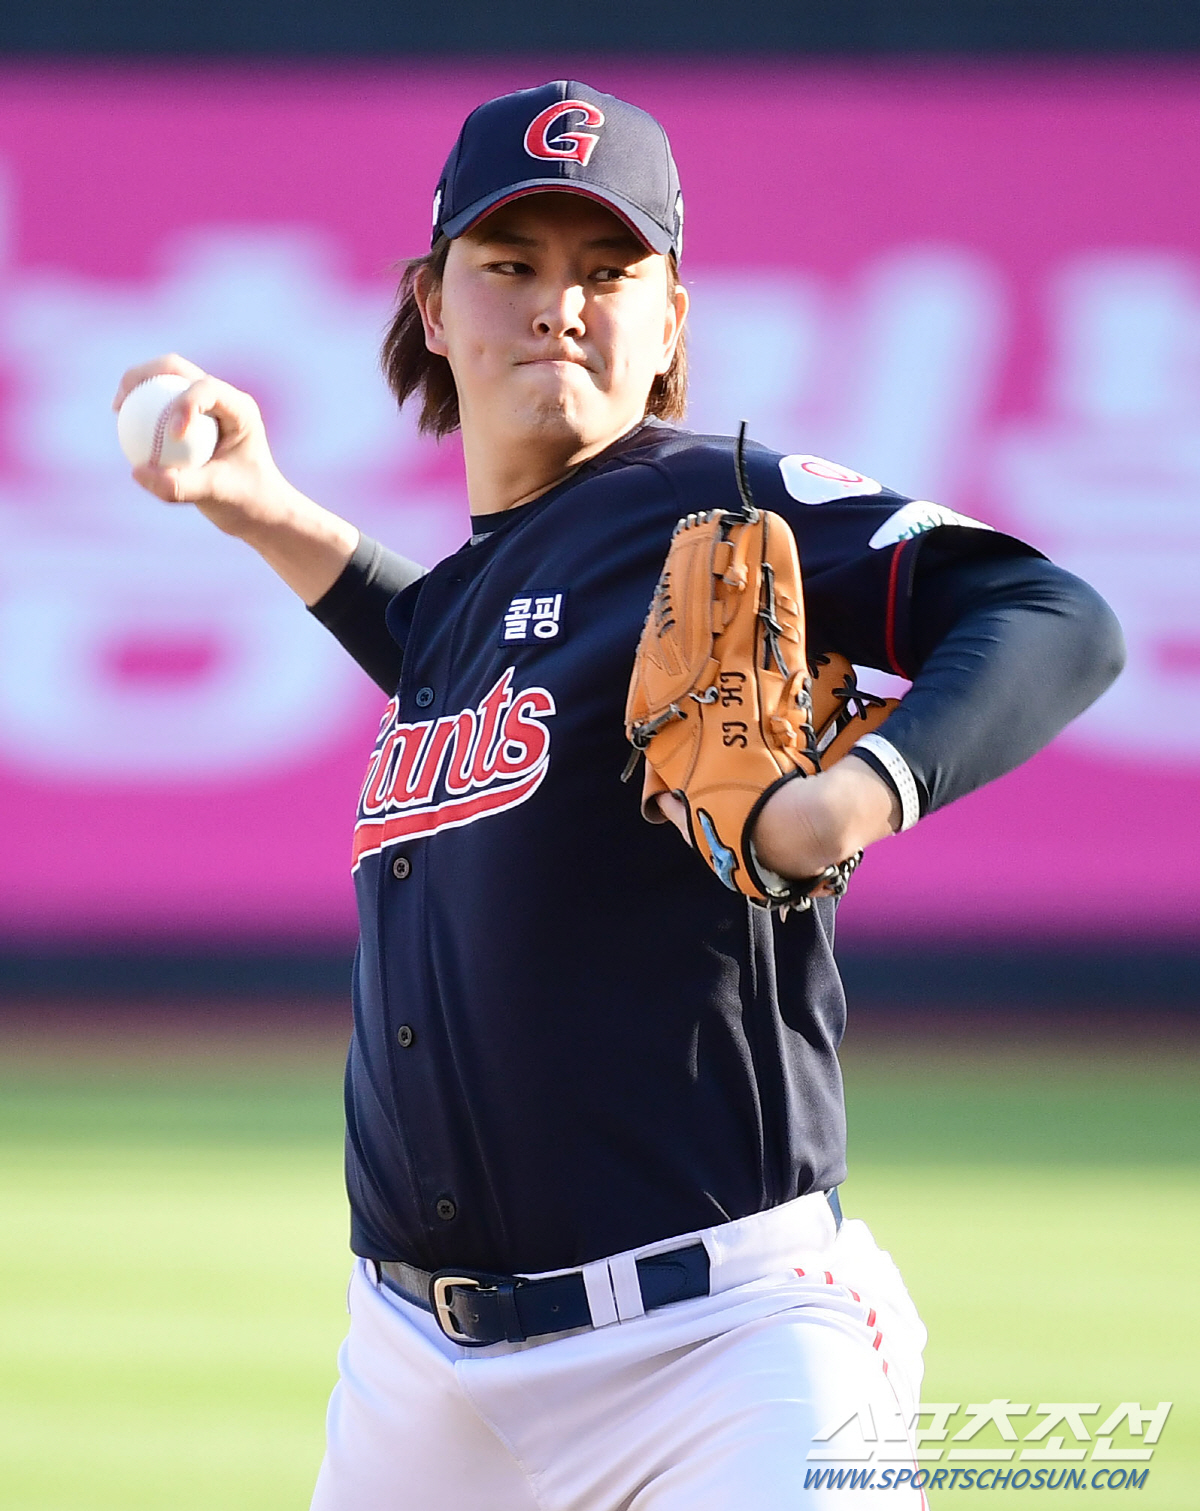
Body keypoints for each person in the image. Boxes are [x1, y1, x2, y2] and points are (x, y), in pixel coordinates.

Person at [115, 81, 1124, 1510]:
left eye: (608, 270)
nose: (561, 306)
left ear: (671, 322)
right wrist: (260, 506)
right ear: (433, 304)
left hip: (721, 1351)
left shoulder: (712, 503)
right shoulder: (478, 599)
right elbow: (436, 636)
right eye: (511, 264)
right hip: (416, 1380)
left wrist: (850, 798)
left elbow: (1055, 612)